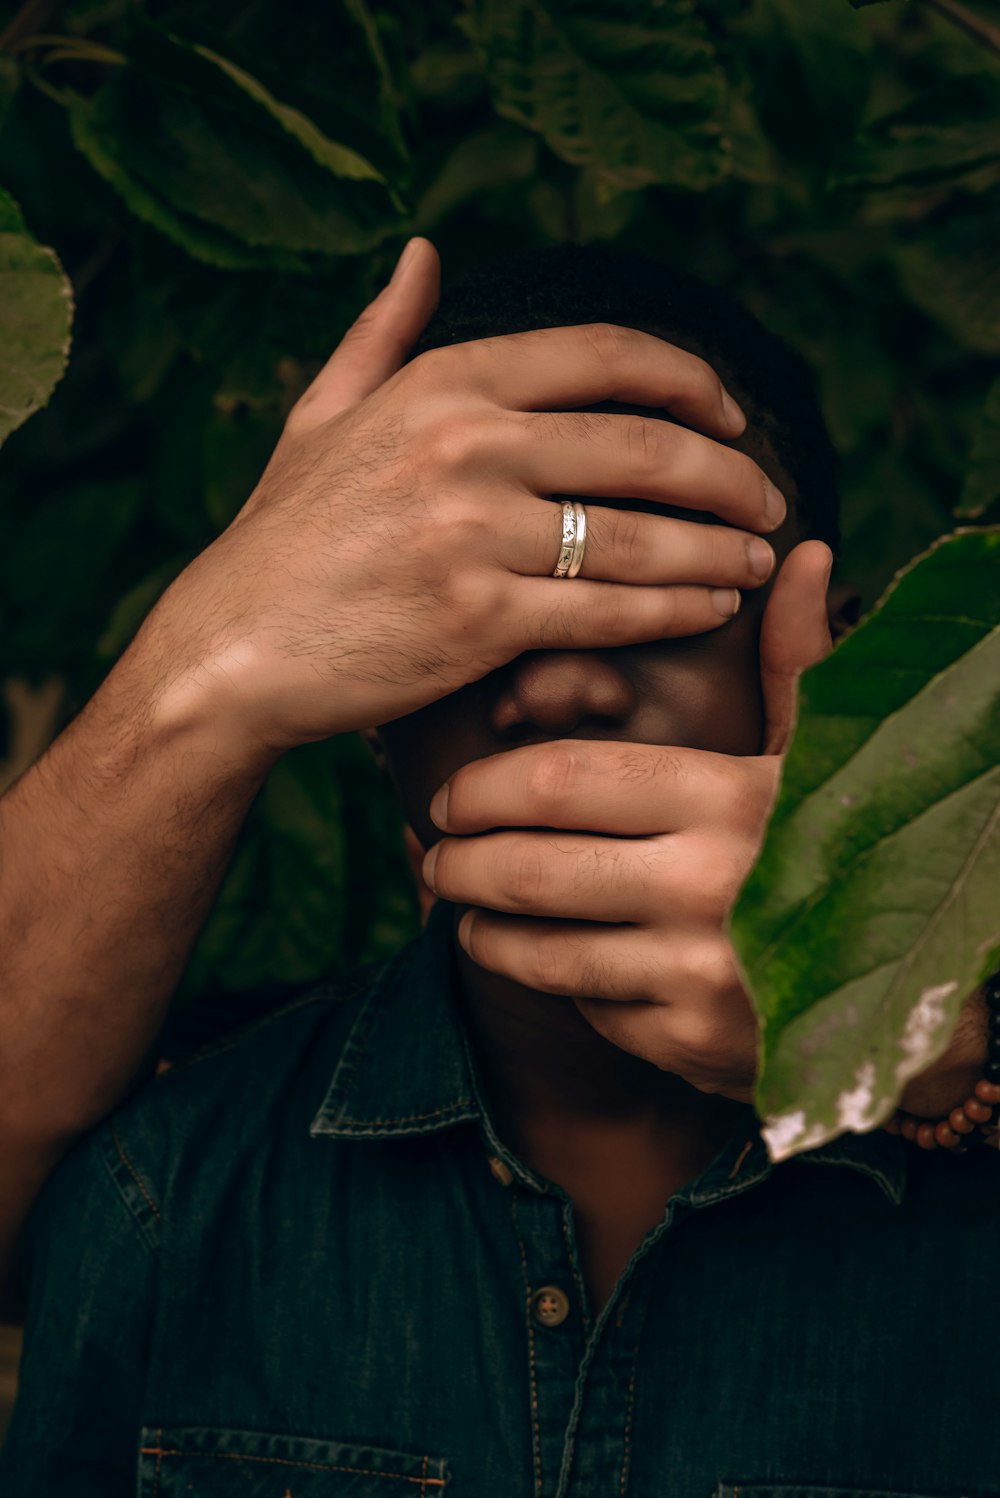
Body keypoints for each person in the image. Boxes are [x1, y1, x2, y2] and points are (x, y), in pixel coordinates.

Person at [0, 242, 994, 1494]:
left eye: (673, 587)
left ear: (832, 653)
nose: (566, 674)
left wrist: (950, 1048)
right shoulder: (169, 1197)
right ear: (362, 702)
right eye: (474, 603)